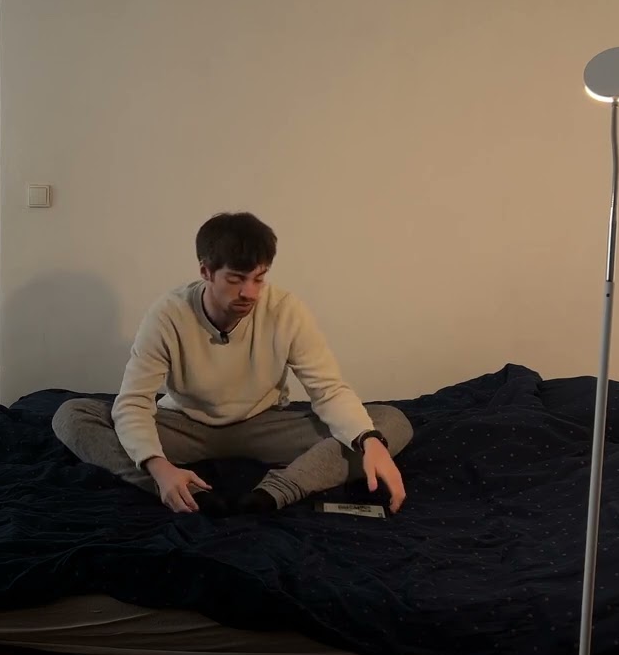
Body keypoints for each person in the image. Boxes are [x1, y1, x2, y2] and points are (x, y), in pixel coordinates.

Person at [52, 212, 413, 516]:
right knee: (71, 414)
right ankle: (181, 490)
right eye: (236, 279)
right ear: (206, 272)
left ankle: (277, 492)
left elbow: (328, 389)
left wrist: (367, 440)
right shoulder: (168, 314)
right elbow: (133, 401)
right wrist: (158, 468)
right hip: (184, 426)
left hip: (263, 424)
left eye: (259, 278)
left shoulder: (285, 309)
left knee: (388, 423)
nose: (250, 293)